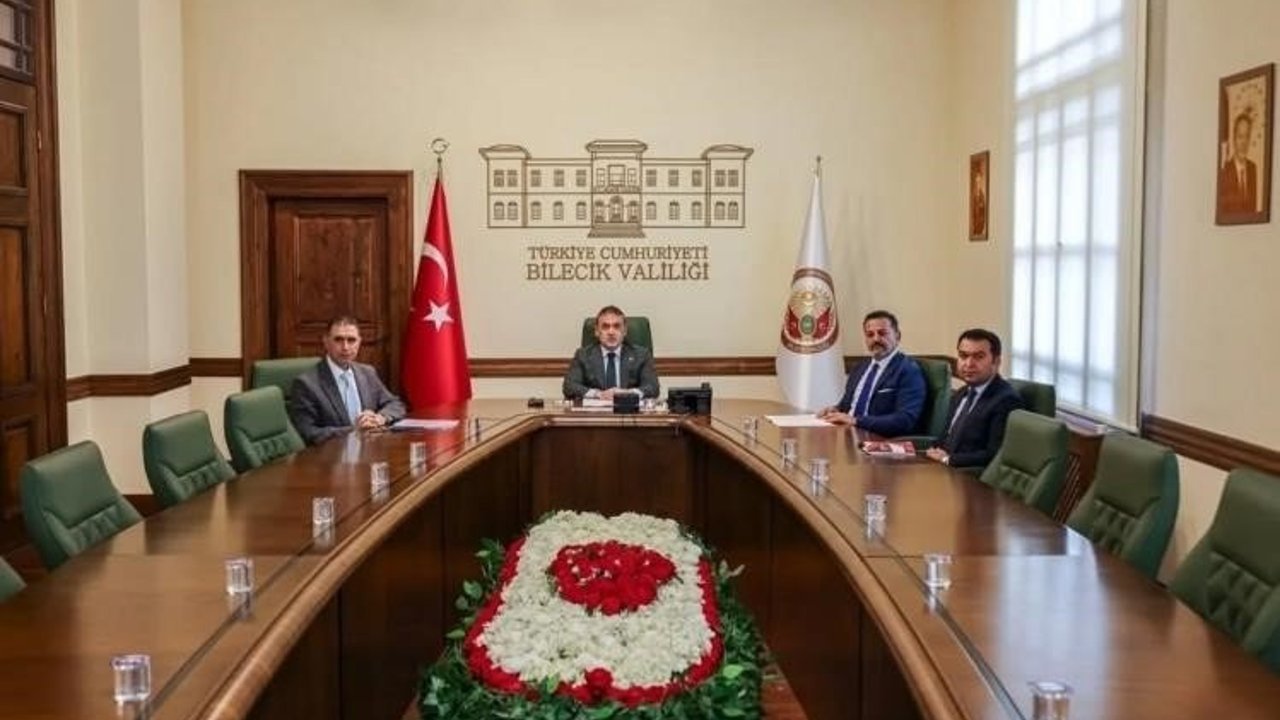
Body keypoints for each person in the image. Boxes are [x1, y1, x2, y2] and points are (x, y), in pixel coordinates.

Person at [288, 315, 406, 445]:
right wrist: (354, 429)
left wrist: (380, 418)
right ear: (326, 342)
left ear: (359, 342)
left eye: (351, 340)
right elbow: (308, 432)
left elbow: (395, 404)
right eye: (338, 340)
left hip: (370, 449)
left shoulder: (367, 373)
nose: (345, 347)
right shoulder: (306, 384)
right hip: (332, 454)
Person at [924, 328, 1023, 470]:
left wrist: (948, 459)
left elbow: (995, 454)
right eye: (963, 356)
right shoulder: (961, 393)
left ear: (996, 362)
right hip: (941, 468)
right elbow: (946, 438)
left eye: (979, 357)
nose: (969, 364)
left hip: (968, 475)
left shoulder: (1006, 400)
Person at [817, 310, 925, 437]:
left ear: (897, 336)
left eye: (882, 333)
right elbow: (846, 405)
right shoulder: (860, 367)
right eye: (870, 335)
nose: (876, 339)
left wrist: (856, 421)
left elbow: (905, 420)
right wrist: (835, 409)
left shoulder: (908, 370)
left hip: (879, 439)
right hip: (848, 434)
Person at [562, 305, 659, 400]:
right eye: (605, 327)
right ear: (597, 331)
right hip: (595, 410)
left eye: (617, 326)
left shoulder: (641, 355)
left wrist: (627, 393)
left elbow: (653, 388)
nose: (611, 332)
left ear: (625, 331)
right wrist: (598, 394)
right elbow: (569, 387)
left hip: (629, 409)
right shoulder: (583, 355)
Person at [1218, 111, 1259, 216]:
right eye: (1240, 136)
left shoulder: (1253, 169)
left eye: (1247, 136)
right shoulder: (1224, 171)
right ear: (1234, 138)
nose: (1243, 143)